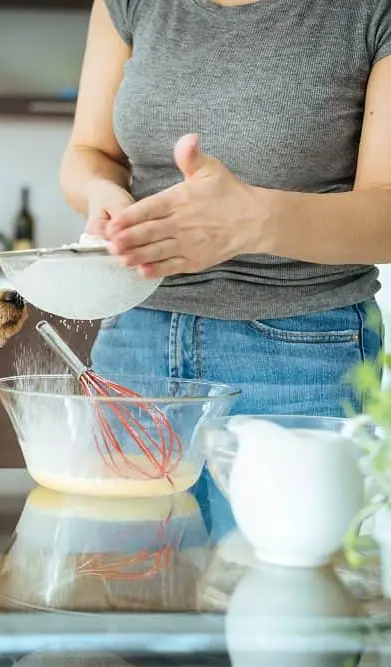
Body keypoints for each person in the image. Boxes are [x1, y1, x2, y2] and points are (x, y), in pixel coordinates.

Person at [60, 0, 391, 535]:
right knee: (128, 599)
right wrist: (103, 193)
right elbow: (88, 150)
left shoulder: (368, 12)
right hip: (135, 340)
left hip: (301, 352)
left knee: (289, 600)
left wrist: (255, 221)